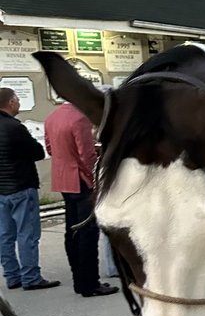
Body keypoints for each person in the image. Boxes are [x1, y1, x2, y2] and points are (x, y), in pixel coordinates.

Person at [44, 100, 117, 298]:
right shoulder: (80, 118)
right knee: (88, 232)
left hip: (63, 179)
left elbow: (50, 148)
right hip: (81, 181)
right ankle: (90, 283)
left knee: (72, 230)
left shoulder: (53, 116)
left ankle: (79, 280)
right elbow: (87, 156)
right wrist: (96, 179)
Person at [0, 87, 59, 291]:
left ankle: (12, 276)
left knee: (5, 234)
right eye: (16, 100)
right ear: (10, 102)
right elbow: (37, 152)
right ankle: (30, 277)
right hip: (21, 186)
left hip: (1, 190)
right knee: (27, 233)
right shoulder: (15, 127)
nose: (18, 103)